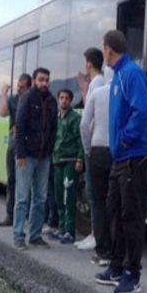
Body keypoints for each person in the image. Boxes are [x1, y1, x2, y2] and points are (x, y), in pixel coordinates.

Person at [95, 30, 147, 293]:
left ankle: (133, 274)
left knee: (131, 216)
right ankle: (117, 266)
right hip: (121, 157)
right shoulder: (118, 74)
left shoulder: (131, 73)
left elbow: (142, 112)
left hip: (135, 155)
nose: (103, 53)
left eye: (103, 49)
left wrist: (122, 140)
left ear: (108, 49)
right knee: (114, 211)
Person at [13, 67, 57, 250]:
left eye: (47, 80)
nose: (44, 83)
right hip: (27, 156)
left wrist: (50, 150)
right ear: (34, 80)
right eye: (41, 79)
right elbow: (19, 128)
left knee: (40, 198)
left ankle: (35, 235)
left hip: (44, 157)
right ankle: (18, 236)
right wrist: (20, 154)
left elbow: (54, 129)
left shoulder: (52, 101)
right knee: (23, 198)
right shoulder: (27, 99)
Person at [74, 47, 106, 250]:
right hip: (97, 142)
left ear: (88, 64)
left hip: (94, 144)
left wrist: (87, 148)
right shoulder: (99, 82)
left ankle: (96, 234)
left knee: (94, 192)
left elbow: (88, 118)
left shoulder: (97, 83)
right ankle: (95, 233)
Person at [80, 61, 112, 265]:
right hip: (118, 153)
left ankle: (102, 252)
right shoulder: (122, 93)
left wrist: (88, 150)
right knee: (115, 203)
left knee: (98, 203)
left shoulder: (97, 93)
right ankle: (118, 250)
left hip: (98, 151)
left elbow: (84, 125)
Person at [0, 73, 31, 227]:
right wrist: (3, 94)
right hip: (14, 145)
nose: (19, 89)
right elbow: (3, 113)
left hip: (30, 146)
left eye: (22, 87)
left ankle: (29, 217)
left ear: (29, 87)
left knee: (29, 182)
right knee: (12, 180)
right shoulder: (14, 100)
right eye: (18, 87)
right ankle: (10, 216)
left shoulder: (33, 99)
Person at [52, 88, 84, 244]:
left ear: (70, 101)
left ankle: (70, 231)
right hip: (57, 160)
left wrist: (80, 159)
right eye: (61, 97)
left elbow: (80, 140)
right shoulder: (56, 118)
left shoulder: (75, 118)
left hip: (70, 161)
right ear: (58, 100)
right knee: (59, 196)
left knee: (68, 196)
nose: (63, 100)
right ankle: (61, 228)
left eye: (66, 98)